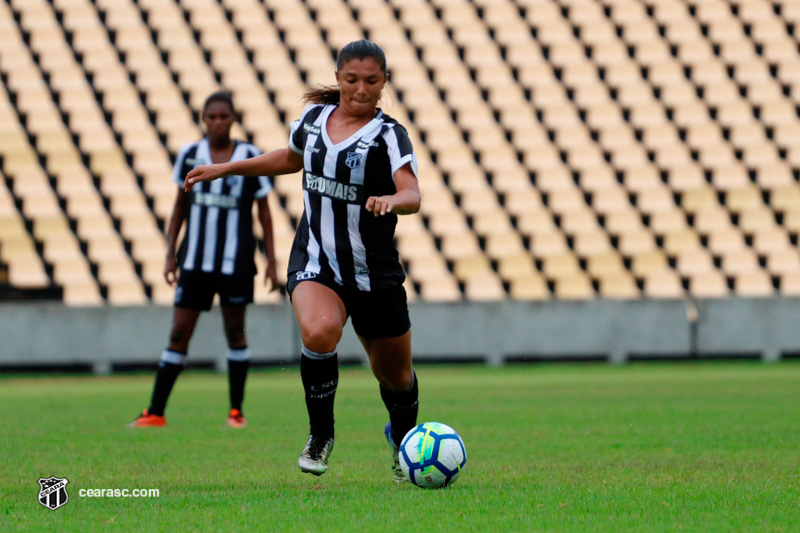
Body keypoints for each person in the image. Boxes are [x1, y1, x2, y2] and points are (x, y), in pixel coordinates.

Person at [184, 40, 421, 482]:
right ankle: (321, 435)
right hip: (315, 258)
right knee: (318, 330)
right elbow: (289, 160)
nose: (361, 89)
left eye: (372, 80)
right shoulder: (312, 121)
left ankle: (404, 442)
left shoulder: (390, 135)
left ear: (384, 82)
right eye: (351, 80)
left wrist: (393, 200)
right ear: (338, 78)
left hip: (374, 272)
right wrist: (225, 168)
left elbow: (412, 193)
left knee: (397, 378)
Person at [130, 91, 278, 429]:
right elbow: (179, 207)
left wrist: (270, 259)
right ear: (203, 119)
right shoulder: (190, 155)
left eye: (224, 116)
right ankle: (155, 412)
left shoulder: (249, 156)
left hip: (236, 263)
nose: (218, 122)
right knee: (179, 333)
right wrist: (170, 254)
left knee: (235, 333)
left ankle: (236, 412)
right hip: (194, 263)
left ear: (234, 117)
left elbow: (265, 212)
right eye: (212, 116)